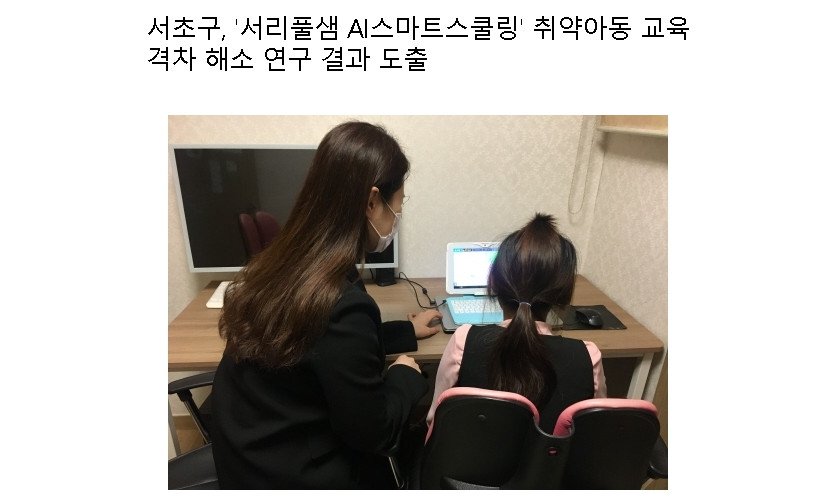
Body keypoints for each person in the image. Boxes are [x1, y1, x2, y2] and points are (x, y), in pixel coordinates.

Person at [211, 121, 443, 489]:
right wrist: (405, 376)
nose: (397, 216)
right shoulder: (338, 302)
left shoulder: (285, 264)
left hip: (250, 455)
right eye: (399, 203)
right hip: (295, 476)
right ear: (372, 202)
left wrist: (404, 331)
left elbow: (316, 348)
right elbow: (374, 432)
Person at [426, 213, 607, 432]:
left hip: (472, 453)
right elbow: (593, 428)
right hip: (551, 455)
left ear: (493, 284)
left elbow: (435, 420)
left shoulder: (464, 341)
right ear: (563, 295)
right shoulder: (588, 356)